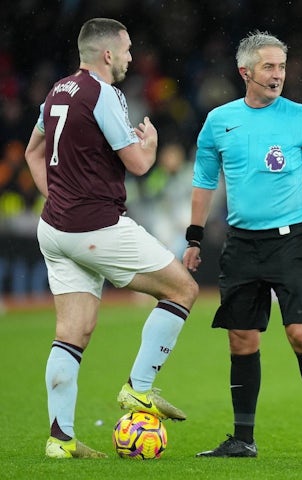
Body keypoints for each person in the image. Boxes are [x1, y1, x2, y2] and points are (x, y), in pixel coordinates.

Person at [24, 18, 199, 459]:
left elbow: (32, 152)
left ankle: (60, 440)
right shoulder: (105, 94)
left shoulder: (56, 91)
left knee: (72, 331)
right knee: (183, 288)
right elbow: (138, 165)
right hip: (95, 227)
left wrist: (59, 198)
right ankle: (139, 389)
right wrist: (153, 146)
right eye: (126, 50)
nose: (129, 57)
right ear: (106, 54)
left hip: (54, 229)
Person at [182, 30, 302, 460]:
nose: (278, 75)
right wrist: (194, 238)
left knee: (301, 334)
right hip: (241, 244)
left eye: (282, 66)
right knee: (242, 340)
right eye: (269, 66)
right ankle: (242, 439)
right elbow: (203, 182)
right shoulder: (218, 121)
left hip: (290, 242)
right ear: (244, 71)